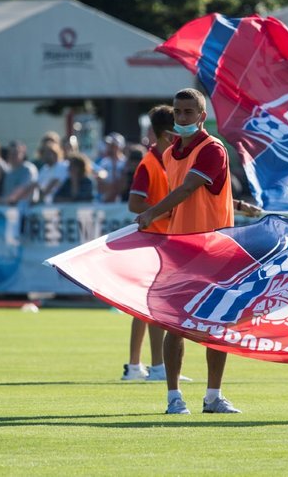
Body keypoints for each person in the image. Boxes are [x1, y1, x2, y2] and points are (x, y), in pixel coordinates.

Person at [134, 88, 262, 415]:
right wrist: (234, 203)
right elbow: (189, 193)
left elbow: (190, 187)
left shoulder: (212, 148)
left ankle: (213, 396)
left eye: (189, 112)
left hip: (214, 248)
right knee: (175, 325)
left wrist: (151, 213)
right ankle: (174, 398)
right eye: (178, 112)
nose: (182, 117)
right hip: (181, 247)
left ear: (202, 116)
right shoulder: (169, 152)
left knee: (216, 324)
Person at [123, 105, 173, 382]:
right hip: (153, 240)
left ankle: (134, 367)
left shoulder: (166, 161)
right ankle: (156, 367)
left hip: (165, 239)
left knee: (144, 306)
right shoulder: (149, 163)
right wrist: (167, 211)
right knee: (154, 306)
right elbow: (135, 203)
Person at [0, 141, 38, 207]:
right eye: (10, 153)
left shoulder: (28, 169)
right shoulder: (8, 171)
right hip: (8, 208)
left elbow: (22, 189)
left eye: (15, 153)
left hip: (25, 209)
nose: (12, 155)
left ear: (23, 153)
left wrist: (5, 200)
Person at [94, 132, 128, 203]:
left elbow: (123, 185)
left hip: (122, 201)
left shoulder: (125, 162)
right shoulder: (104, 162)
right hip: (105, 200)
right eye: (110, 145)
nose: (111, 148)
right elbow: (99, 185)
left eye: (114, 145)